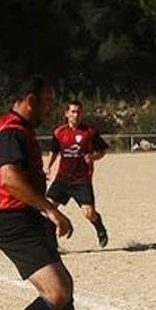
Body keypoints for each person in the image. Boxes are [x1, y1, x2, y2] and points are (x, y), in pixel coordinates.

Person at [0, 76, 115, 310]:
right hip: (14, 222)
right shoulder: (11, 131)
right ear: (31, 99)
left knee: (63, 287)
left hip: (25, 218)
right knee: (56, 292)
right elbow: (9, 179)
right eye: (49, 100)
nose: (52, 107)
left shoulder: (13, 128)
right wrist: (51, 210)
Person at [45, 100, 110, 248]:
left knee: (89, 213)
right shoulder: (59, 132)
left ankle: (100, 228)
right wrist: (48, 166)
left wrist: (93, 157)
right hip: (62, 179)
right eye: (73, 112)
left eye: (79, 112)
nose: (76, 115)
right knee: (49, 208)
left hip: (82, 180)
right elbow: (54, 151)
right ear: (67, 114)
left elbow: (103, 151)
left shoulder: (90, 132)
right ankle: (51, 243)